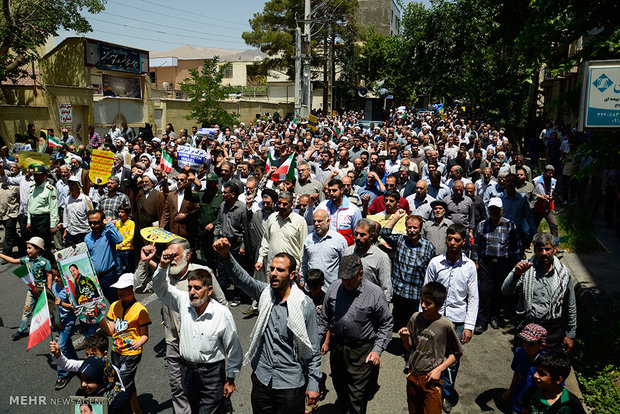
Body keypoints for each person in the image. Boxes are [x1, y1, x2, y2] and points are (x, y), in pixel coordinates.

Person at [213, 238, 322, 413]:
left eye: (280, 270)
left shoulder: (304, 304)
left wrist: (314, 384)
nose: (273, 273)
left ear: (292, 275)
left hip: (290, 384)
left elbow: (314, 349)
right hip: (262, 379)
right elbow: (243, 280)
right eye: (271, 269)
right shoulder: (264, 293)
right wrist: (226, 255)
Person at [133, 240, 227, 412]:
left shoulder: (203, 273)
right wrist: (144, 261)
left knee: (205, 389)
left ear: (188, 255)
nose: (171, 259)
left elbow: (222, 304)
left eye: (175, 255)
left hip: (201, 343)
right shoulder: (163, 276)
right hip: (173, 343)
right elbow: (138, 287)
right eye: (168, 255)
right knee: (178, 388)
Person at [150, 248, 242, 414]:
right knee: (194, 408)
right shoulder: (183, 301)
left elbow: (234, 349)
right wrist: (162, 265)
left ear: (209, 290)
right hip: (186, 372)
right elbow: (160, 287)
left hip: (212, 373)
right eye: (190, 288)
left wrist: (230, 378)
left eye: (197, 288)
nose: (192, 292)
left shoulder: (221, 314)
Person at [319, 255, 393, 414]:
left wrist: (377, 350)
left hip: (361, 351)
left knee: (357, 396)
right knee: (339, 386)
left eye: (350, 279)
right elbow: (324, 318)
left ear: (361, 274)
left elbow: (386, 323)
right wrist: (318, 341)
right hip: (338, 347)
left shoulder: (374, 293)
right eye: (343, 278)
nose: (345, 282)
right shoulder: (334, 288)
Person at [423, 224, 479, 412]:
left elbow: (473, 298)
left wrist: (469, 325)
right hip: (435, 318)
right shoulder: (435, 263)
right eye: (450, 239)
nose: (453, 243)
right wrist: (422, 318)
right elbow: (426, 292)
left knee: (451, 361)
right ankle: (430, 388)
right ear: (446, 240)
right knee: (431, 355)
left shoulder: (469, 266)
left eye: (457, 240)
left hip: (457, 320)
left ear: (464, 242)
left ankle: (446, 394)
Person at [502, 233, 577, 354]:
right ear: (535, 250)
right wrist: (515, 275)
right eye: (540, 249)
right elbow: (505, 291)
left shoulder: (564, 274)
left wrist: (570, 334)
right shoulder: (524, 268)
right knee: (523, 366)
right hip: (527, 326)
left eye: (547, 249)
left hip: (552, 330)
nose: (544, 253)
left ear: (554, 249)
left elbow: (571, 305)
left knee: (547, 368)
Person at [398, 282, 464, 414]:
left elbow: (458, 353)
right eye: (422, 301)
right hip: (413, 376)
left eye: (428, 303)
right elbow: (409, 347)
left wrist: (439, 370)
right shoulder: (415, 318)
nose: (423, 305)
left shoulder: (445, 325)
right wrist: (405, 338)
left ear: (439, 306)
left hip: (431, 379)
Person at [92, 273, 150, 414]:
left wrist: (139, 343)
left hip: (131, 354)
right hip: (116, 351)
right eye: (118, 288)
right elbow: (111, 331)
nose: (120, 291)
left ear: (133, 291)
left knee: (122, 383)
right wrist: (99, 318)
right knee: (126, 383)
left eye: (124, 288)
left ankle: (120, 410)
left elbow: (145, 335)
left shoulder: (140, 310)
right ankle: (136, 409)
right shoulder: (114, 306)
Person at [472, 197, 521, 334]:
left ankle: (494, 316)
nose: (493, 211)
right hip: (486, 264)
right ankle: (482, 321)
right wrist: (475, 261)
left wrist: (516, 264)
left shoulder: (510, 225)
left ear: (502, 210)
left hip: (503, 264)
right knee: (485, 291)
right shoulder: (482, 225)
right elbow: (476, 245)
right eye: (491, 209)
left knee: (499, 292)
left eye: (496, 209)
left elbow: (516, 246)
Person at [381, 211, 436, 330]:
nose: (411, 230)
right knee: (397, 326)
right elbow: (384, 232)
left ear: (420, 229)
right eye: (409, 227)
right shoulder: (400, 240)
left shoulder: (428, 247)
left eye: (415, 227)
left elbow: (432, 271)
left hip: (416, 295)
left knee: (413, 326)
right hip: (399, 292)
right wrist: (396, 217)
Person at [0, 236, 52, 341]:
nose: (27, 250)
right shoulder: (27, 260)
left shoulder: (45, 262)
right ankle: (21, 329)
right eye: (27, 248)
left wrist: (49, 290)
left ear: (38, 249)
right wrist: (0, 255)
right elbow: (13, 260)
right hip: (31, 290)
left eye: (29, 248)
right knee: (27, 310)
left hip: (43, 291)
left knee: (46, 309)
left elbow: (49, 275)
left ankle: (53, 324)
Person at [255, 190, 307, 272]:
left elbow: (303, 247)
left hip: (291, 270)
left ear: (291, 204)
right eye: (279, 203)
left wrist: (301, 268)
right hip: (273, 268)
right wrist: (260, 259)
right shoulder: (272, 218)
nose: (281, 206)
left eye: (285, 204)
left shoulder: (300, 221)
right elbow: (266, 240)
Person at [502, 323, 548, 413]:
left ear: (542, 345)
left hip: (536, 400)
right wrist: (510, 390)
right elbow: (517, 372)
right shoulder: (520, 352)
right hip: (519, 394)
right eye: (524, 342)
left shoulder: (547, 362)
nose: (526, 347)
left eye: (531, 344)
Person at [519, 353, 586, 413]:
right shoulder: (531, 392)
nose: (535, 375)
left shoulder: (572, 402)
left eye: (541, 373)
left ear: (558, 379)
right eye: (536, 371)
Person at [345, 218, 392, 302]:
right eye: (356, 234)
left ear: (372, 236)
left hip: (371, 305)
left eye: (362, 235)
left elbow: (386, 289)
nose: (358, 238)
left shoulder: (381, 257)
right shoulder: (349, 252)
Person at [300, 209, 348, 290]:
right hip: (311, 289)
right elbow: (304, 263)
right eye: (314, 221)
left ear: (328, 221)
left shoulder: (339, 240)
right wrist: (302, 280)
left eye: (319, 221)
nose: (316, 224)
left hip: (331, 289)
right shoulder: (309, 239)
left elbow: (344, 264)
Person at [84, 210, 124, 303]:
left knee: (115, 301)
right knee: (96, 304)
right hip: (94, 277)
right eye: (90, 223)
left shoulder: (108, 234)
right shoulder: (87, 238)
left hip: (108, 275)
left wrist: (109, 224)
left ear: (102, 222)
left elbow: (119, 239)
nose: (93, 225)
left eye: (96, 223)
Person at [51, 265, 78, 390]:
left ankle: (63, 375)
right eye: (54, 276)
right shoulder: (54, 287)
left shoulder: (68, 289)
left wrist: (62, 303)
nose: (56, 278)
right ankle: (75, 363)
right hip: (59, 321)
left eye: (58, 276)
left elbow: (75, 307)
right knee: (67, 344)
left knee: (60, 346)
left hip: (68, 321)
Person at [316, 178, 362, 246]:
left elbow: (358, 233)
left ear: (342, 190)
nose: (331, 193)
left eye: (334, 191)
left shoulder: (353, 210)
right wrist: (310, 205)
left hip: (346, 251)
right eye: (329, 190)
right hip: (326, 248)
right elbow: (309, 221)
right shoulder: (323, 206)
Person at [26, 164, 59, 257]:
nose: (36, 177)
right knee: (34, 244)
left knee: (44, 244)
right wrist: (29, 221)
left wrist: (53, 225)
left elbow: (53, 208)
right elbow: (30, 206)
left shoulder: (49, 189)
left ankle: (47, 266)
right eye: (35, 175)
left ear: (44, 176)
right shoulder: (32, 188)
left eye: (38, 175)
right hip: (34, 220)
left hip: (43, 220)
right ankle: (37, 265)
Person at [160, 171, 200, 245]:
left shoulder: (193, 194)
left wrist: (186, 215)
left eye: (181, 180)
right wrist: (162, 226)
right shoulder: (171, 195)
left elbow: (197, 210)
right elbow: (166, 212)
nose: (179, 182)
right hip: (173, 230)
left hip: (187, 230)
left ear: (186, 181)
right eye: (177, 180)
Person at [63, 175, 92, 246]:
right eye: (69, 185)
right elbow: (65, 215)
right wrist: (65, 230)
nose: (71, 187)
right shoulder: (67, 199)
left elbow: (90, 215)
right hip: (71, 232)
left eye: (73, 184)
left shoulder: (86, 199)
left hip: (83, 232)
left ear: (78, 186)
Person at [532, 165, 558, 237]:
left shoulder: (554, 181)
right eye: (549, 173)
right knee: (534, 226)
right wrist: (539, 196)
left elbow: (554, 192)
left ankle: (555, 243)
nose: (551, 175)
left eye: (552, 173)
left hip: (549, 207)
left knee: (554, 225)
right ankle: (529, 243)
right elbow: (531, 193)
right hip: (538, 207)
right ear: (544, 172)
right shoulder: (536, 181)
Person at [114, 206, 134, 274]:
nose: (120, 214)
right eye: (119, 212)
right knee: (119, 269)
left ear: (128, 214)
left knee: (129, 268)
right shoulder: (117, 223)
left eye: (122, 212)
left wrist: (123, 244)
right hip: (118, 249)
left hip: (127, 249)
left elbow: (131, 236)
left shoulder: (131, 223)